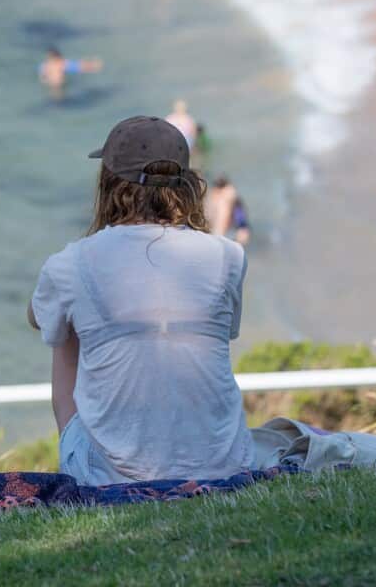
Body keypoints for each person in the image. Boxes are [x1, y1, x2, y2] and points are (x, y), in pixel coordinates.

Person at [28, 116, 252, 485]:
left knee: (65, 329)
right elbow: (224, 333)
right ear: (187, 186)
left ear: (109, 184)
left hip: (108, 477)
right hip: (224, 465)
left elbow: (39, 317)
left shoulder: (71, 262)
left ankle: (78, 456)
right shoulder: (228, 256)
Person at [38, 47, 102, 91]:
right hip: (60, 84)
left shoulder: (43, 66)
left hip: (50, 84)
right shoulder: (61, 64)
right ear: (58, 57)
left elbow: (42, 78)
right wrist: (94, 66)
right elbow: (79, 67)